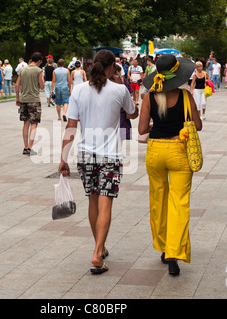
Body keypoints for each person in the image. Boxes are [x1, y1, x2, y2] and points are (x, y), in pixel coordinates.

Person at [58, 49, 137, 275]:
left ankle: (99, 248)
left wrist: (63, 158)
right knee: (106, 203)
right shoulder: (120, 90)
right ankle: (97, 251)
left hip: (85, 155)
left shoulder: (79, 91)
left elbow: (70, 126)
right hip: (110, 156)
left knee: (93, 202)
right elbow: (132, 113)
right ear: (112, 67)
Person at [139, 54, 201, 276]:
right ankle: (175, 252)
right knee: (179, 202)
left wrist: (158, 123)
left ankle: (164, 247)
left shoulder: (149, 97)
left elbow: (141, 129)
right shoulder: (185, 96)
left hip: (155, 150)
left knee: (158, 199)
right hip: (180, 151)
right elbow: (198, 125)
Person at [15, 52, 44, 156]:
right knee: (34, 123)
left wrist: (17, 98)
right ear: (39, 61)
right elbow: (41, 86)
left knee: (25, 123)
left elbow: (17, 84)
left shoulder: (23, 70)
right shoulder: (39, 70)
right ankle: (31, 147)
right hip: (34, 99)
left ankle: (25, 146)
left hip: (23, 99)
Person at [112, 63, 137, 141]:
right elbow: (131, 93)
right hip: (123, 112)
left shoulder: (106, 81)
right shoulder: (123, 80)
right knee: (125, 139)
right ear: (117, 71)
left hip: (111, 114)